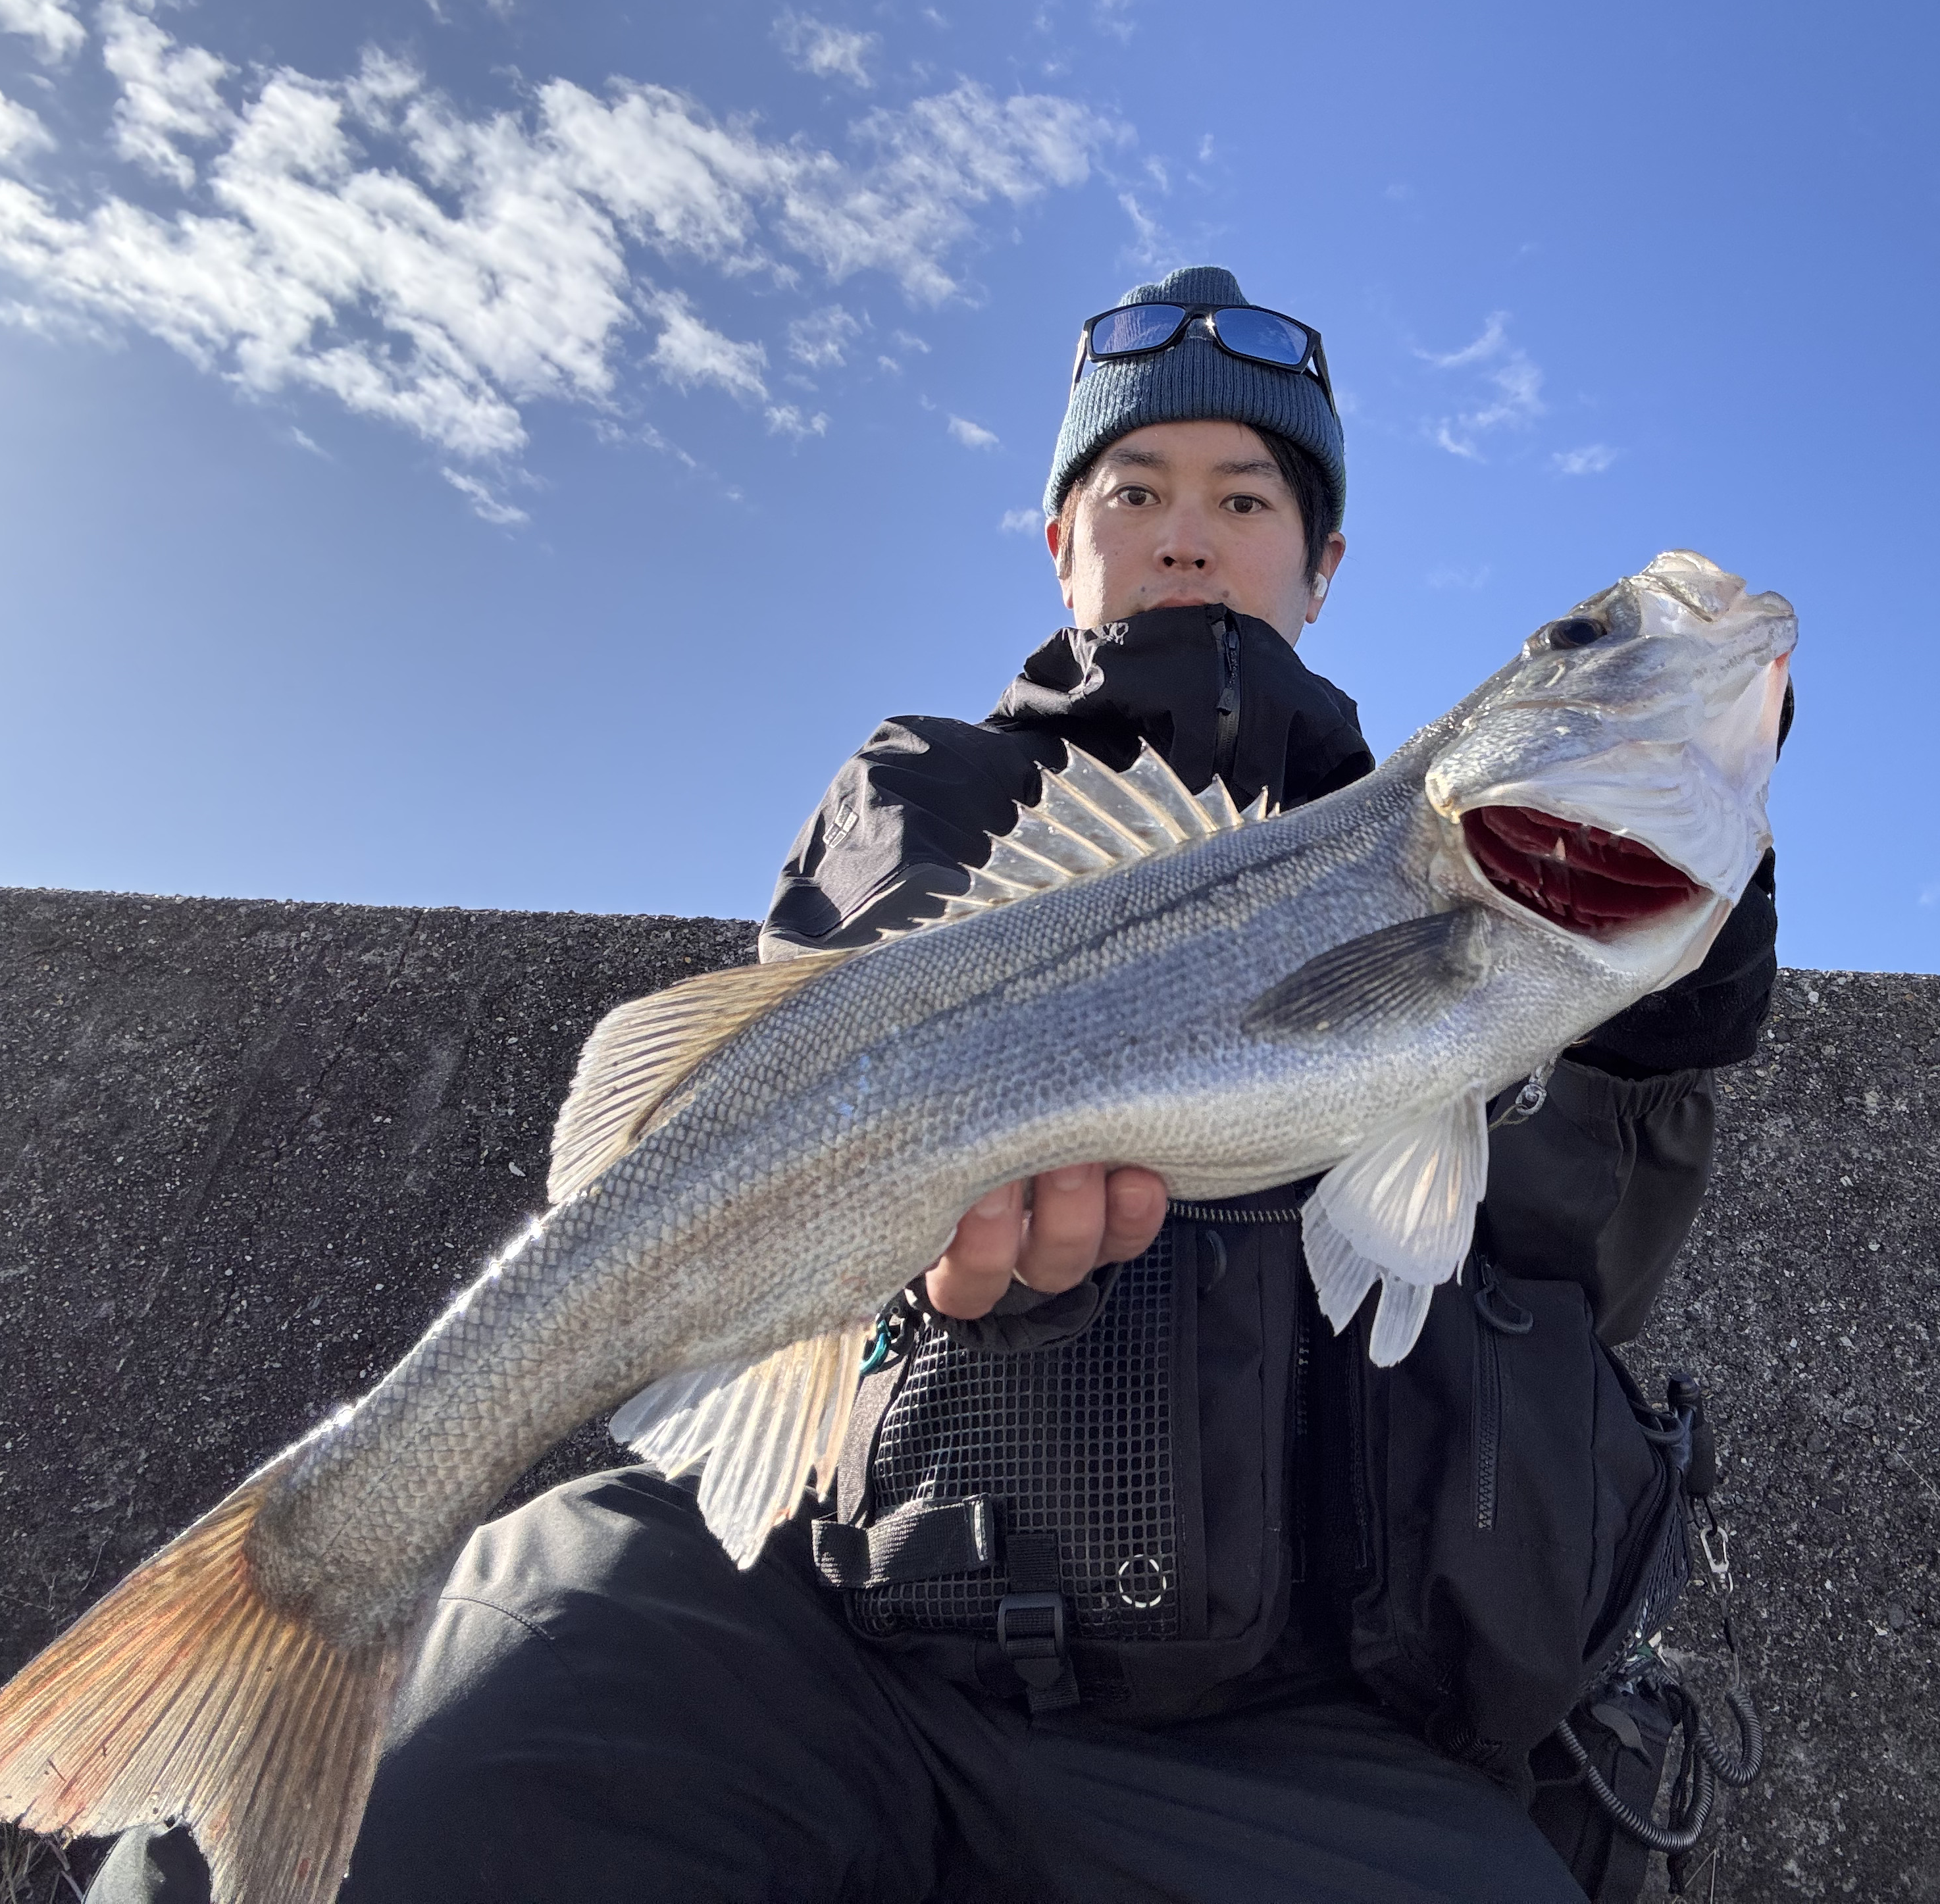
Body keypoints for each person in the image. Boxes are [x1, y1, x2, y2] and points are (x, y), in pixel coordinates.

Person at [89, 265, 1781, 1903]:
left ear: (1325, 564)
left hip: (1277, 1720)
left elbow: (1564, 1264)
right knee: (435, 1787)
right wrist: (934, 1236)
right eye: (1135, 486)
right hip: (825, 1612)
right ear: (1065, 543)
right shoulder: (927, 785)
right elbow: (852, 1068)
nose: (1188, 525)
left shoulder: (1429, 863)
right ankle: (308, 1576)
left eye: (1249, 497)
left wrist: (1666, 999)